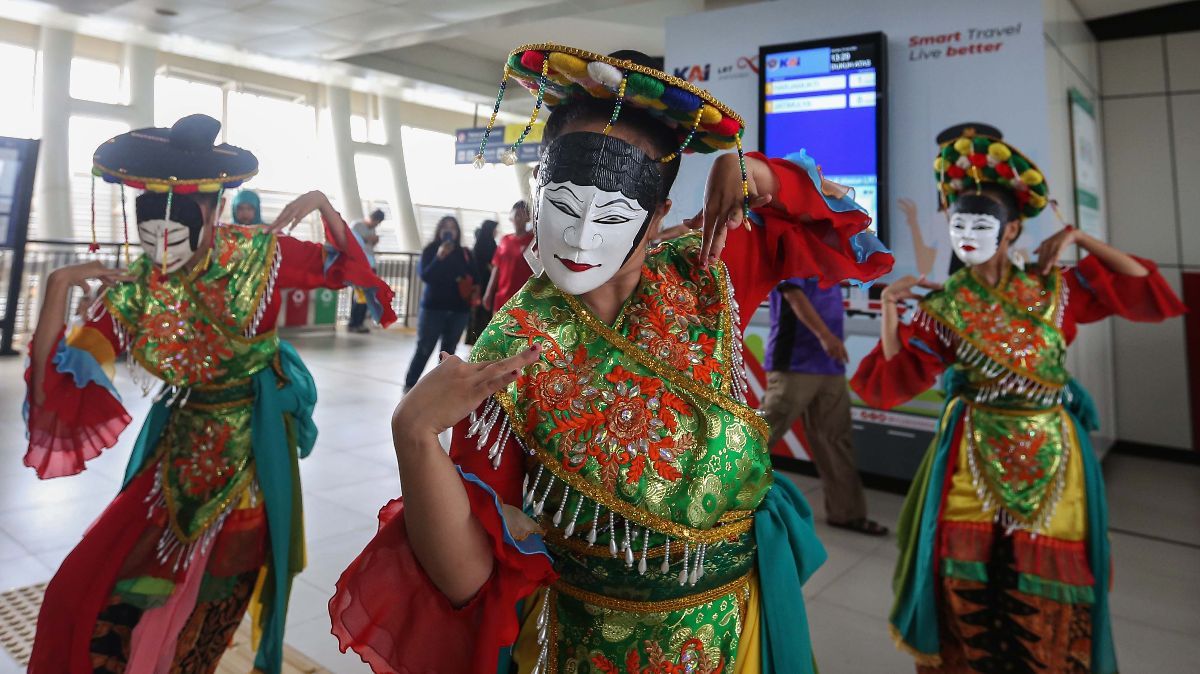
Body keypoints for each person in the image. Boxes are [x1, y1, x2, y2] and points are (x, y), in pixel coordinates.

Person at [329, 44, 893, 673]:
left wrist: (754, 174)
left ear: (656, 220)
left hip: (738, 633)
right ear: (538, 193)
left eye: (615, 213)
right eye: (564, 206)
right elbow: (467, 579)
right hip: (589, 647)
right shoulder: (509, 349)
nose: (579, 234)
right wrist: (414, 436)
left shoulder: (712, 269)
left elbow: (852, 241)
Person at [22, 114, 397, 674]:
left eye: (173, 237)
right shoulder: (138, 288)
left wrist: (322, 204)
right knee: (91, 592)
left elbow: (351, 271)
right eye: (147, 239)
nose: (161, 252)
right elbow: (58, 385)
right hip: (177, 450)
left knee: (221, 594)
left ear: (213, 213)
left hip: (255, 452)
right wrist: (58, 288)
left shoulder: (261, 258)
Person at [850, 127, 1186, 673]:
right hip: (973, 445)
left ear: (1010, 231)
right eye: (958, 224)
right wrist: (890, 306)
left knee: (1052, 582)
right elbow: (894, 378)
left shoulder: (1055, 288)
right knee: (966, 573)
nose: (967, 235)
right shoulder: (947, 304)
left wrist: (1077, 238)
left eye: (981, 225)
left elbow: (1144, 281)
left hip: (1052, 447)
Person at [761, 278, 887, 536]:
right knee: (760, 437)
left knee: (836, 440)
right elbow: (793, 295)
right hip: (794, 365)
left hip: (830, 365)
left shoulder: (831, 257)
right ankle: (715, 499)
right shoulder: (797, 249)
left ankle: (847, 514)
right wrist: (825, 336)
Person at [403, 215, 479, 392]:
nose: (449, 231)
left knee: (449, 351)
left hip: (459, 309)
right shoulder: (431, 250)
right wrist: (439, 257)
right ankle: (410, 385)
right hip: (433, 308)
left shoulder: (465, 253)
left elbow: (475, 277)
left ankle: (441, 388)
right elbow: (426, 276)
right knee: (424, 348)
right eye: (445, 227)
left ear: (457, 232)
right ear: (439, 230)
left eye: (452, 227)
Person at [482, 199, 533, 312]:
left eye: (522, 214)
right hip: (503, 297)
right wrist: (488, 293)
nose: (519, 218)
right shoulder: (505, 240)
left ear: (528, 218)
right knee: (497, 329)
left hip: (524, 299)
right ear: (511, 217)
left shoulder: (533, 241)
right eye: (516, 214)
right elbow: (496, 268)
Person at [348, 208, 385, 333]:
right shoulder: (357, 225)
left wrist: (374, 242)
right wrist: (367, 240)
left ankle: (359, 323)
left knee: (367, 295)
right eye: (376, 222)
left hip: (370, 265)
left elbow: (369, 247)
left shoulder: (372, 230)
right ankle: (354, 323)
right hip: (359, 265)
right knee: (361, 295)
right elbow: (352, 243)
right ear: (372, 218)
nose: (375, 225)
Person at [466, 218, 500, 345]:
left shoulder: (479, 243)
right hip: (487, 283)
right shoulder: (491, 244)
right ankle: (482, 340)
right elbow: (492, 264)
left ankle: (473, 338)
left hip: (477, 283)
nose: (496, 232)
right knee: (484, 313)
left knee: (476, 312)